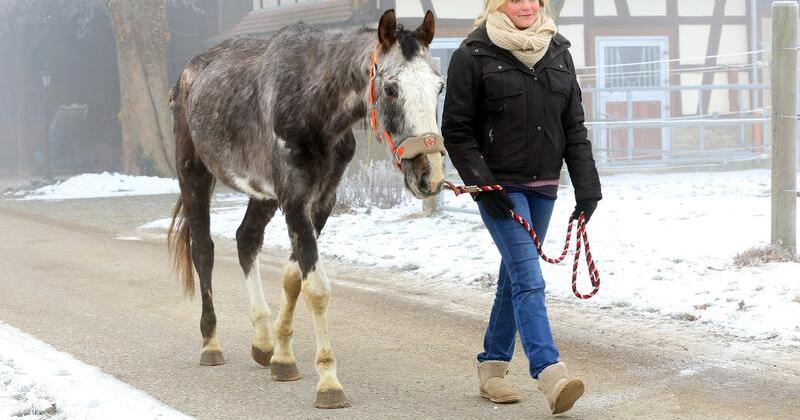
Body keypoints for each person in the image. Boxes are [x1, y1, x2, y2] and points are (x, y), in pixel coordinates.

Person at [442, 0, 602, 415]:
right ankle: (550, 374)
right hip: (500, 188)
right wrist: (482, 182)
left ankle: (491, 369)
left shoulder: (558, 52)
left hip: (545, 186)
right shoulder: (471, 54)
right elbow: (456, 131)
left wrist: (587, 187)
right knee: (529, 278)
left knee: (513, 278)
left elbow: (574, 128)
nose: (526, 5)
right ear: (497, 4)